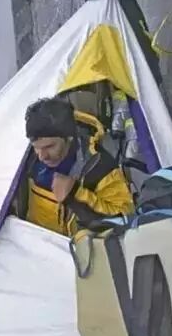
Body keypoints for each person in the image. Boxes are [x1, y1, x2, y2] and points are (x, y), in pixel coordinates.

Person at [14, 96, 134, 236]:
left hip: (76, 247)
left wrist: (75, 194)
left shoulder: (101, 168)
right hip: (31, 240)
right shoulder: (25, 158)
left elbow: (125, 219)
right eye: (36, 147)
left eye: (49, 147)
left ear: (69, 137)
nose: (42, 156)